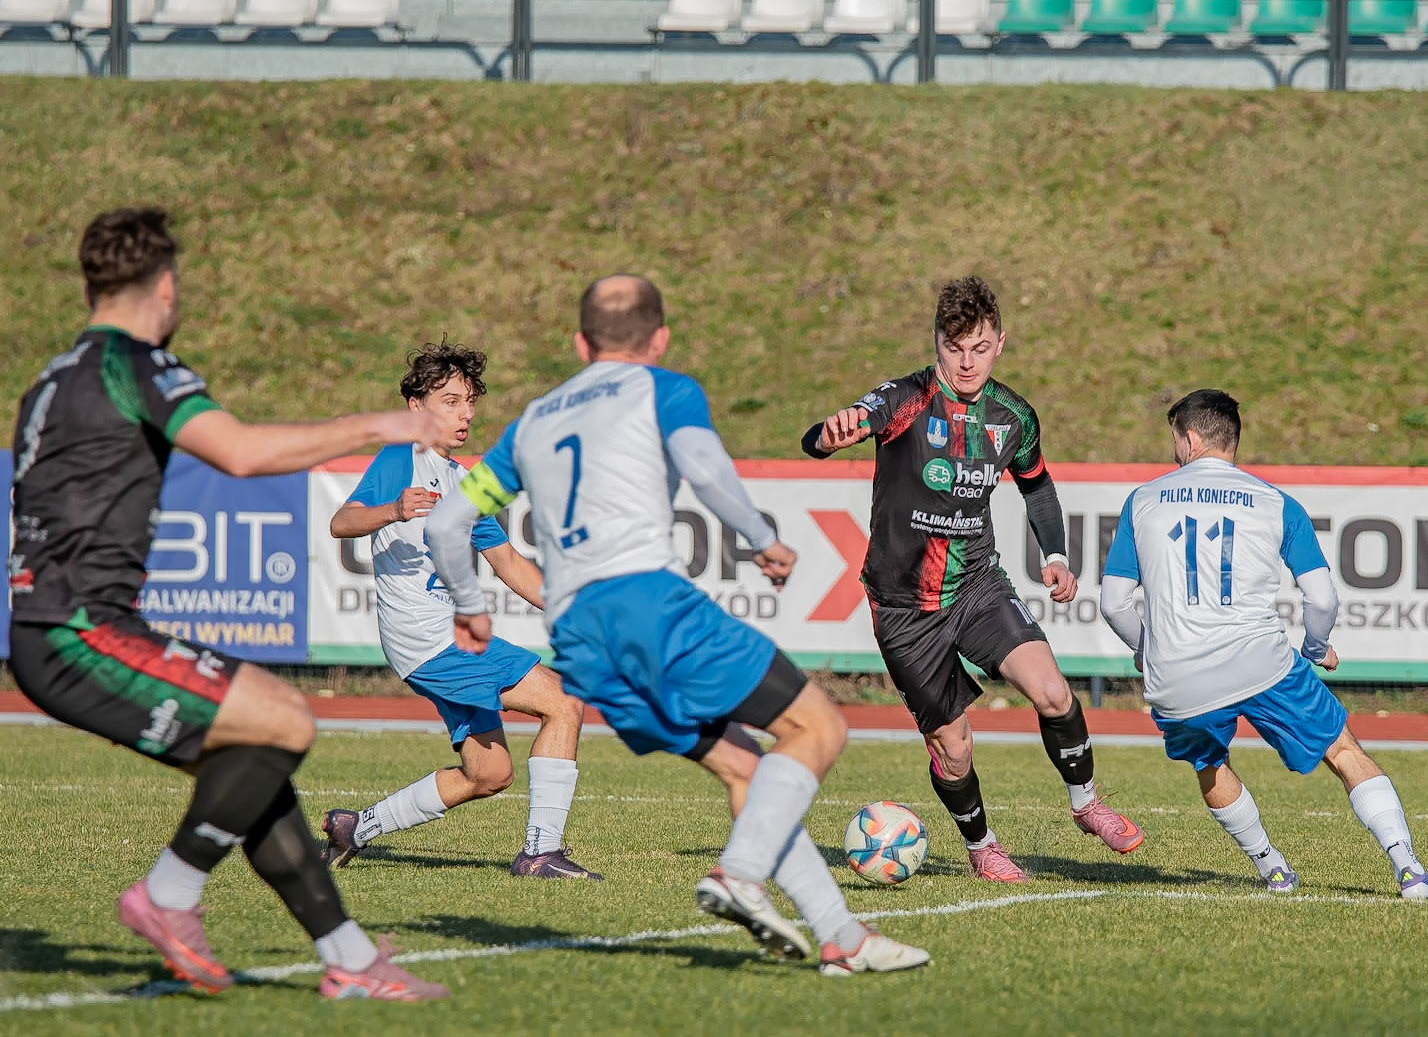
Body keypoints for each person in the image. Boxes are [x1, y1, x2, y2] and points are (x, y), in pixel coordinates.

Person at [425, 274, 929, 976]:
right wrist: (760, 538)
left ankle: (841, 936)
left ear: (580, 343)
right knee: (819, 728)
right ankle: (739, 875)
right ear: (659, 339)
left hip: (579, 640)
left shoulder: (532, 420)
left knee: (747, 768)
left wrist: (469, 604)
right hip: (646, 604)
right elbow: (706, 469)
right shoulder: (663, 389)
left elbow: (447, 523)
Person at [7, 207, 450, 1000]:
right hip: (81, 628)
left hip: (52, 626)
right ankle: (168, 894)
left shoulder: (55, 373)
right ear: (165, 286)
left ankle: (349, 957)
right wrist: (374, 423)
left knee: (252, 766)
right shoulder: (134, 364)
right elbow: (239, 453)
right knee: (286, 718)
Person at [801, 277, 1144, 883]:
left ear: (1000, 344)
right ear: (936, 341)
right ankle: (982, 845)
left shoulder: (1013, 416)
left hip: (977, 584)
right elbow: (827, 435)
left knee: (1053, 692)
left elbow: (1036, 484)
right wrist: (830, 435)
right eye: (954, 347)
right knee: (953, 748)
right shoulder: (905, 399)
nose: (967, 362)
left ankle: (1087, 804)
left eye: (980, 349)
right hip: (904, 608)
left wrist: (1055, 554)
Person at [1098, 389, 1428, 900]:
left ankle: (1272, 868)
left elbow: (1114, 603)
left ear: (1192, 438)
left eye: (1174, 438)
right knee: (1343, 749)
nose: (1174, 449)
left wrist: (1147, 650)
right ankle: (1410, 871)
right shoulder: (1275, 502)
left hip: (1177, 677)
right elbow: (1322, 597)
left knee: (1208, 763)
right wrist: (1315, 646)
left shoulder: (1143, 500)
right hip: (1260, 663)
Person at [320, 342, 597, 880]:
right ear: (415, 407)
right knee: (564, 701)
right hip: (430, 640)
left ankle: (357, 828)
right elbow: (341, 523)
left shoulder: (464, 482)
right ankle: (540, 853)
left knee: (489, 774)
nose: (465, 413)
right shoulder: (401, 458)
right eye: (450, 401)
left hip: (442, 643)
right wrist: (392, 510)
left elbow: (508, 562)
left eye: (469, 401)